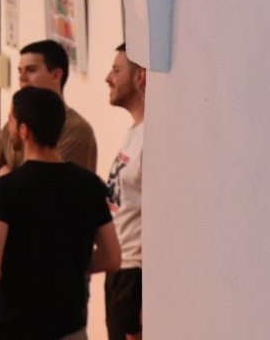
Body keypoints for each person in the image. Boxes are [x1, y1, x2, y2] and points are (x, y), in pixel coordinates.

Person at [0, 87, 121, 339]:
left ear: (24, 131)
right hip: (69, 325)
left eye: (11, 121)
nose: (9, 127)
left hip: (14, 325)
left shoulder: (4, 189)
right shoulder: (89, 185)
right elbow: (112, 258)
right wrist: (68, 267)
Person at [0, 39, 98, 200]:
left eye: (31, 70)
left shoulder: (77, 130)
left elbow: (43, 197)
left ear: (56, 75)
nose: (22, 78)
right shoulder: (13, 122)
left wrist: (4, 176)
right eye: (20, 71)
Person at [104, 43, 146, 340]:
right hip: (120, 267)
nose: (108, 78)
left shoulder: (150, 138)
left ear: (140, 76)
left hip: (135, 273)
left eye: (117, 70)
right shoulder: (134, 131)